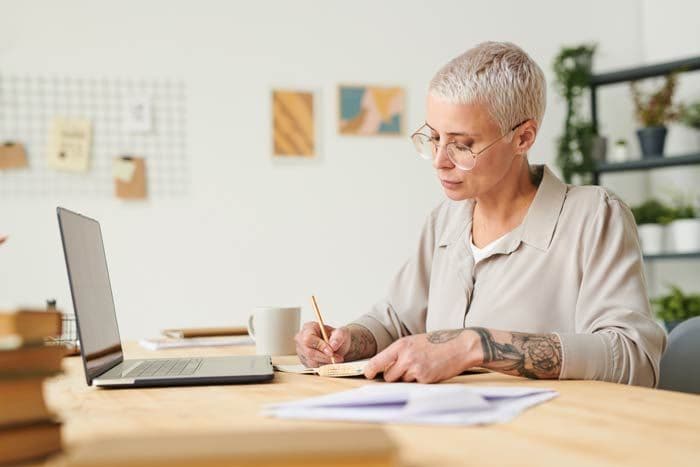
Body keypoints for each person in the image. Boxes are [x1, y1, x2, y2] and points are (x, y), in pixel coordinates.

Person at [294, 41, 666, 387]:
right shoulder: (445, 221)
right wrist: (345, 341)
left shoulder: (594, 216)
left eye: (462, 145)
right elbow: (395, 320)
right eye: (434, 138)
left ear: (523, 138)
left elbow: (634, 358)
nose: (440, 161)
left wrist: (477, 345)